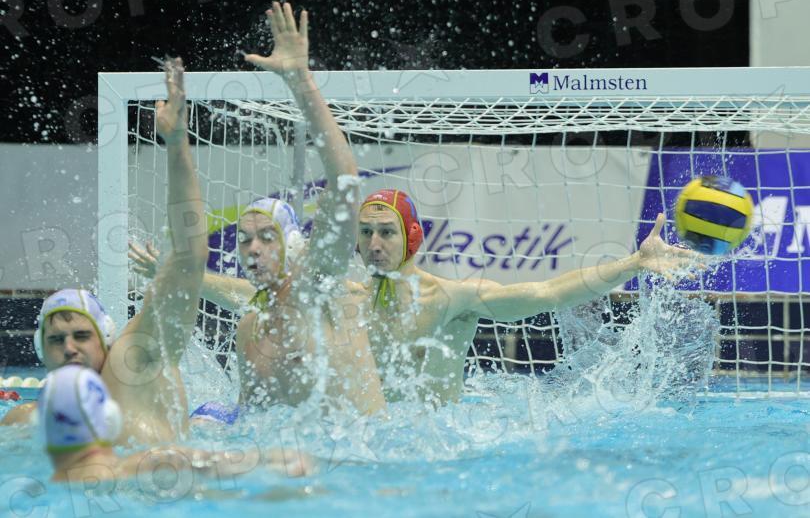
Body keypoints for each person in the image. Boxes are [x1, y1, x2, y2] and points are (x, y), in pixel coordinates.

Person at [133, 188, 701, 405]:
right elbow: (247, 293)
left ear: (411, 237)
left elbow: (545, 292)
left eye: (386, 232)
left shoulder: (451, 299)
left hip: (440, 441)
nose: (374, 243)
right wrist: (178, 276)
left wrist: (633, 263)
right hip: (381, 438)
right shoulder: (347, 297)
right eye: (366, 233)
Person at [2, 57, 209, 443]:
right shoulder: (25, 421)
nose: (69, 348)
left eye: (82, 336)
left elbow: (190, 259)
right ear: (40, 350)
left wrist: (177, 145)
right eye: (56, 340)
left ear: (106, 338)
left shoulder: (134, 365)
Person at [226, 2, 383, 414]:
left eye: (267, 237)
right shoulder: (249, 329)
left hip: (367, 451)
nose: (253, 248)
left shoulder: (319, 285)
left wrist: (300, 81)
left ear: (294, 245)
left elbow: (345, 180)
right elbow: (251, 421)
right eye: (244, 239)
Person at [38, 365, 313, 483]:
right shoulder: (141, 465)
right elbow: (214, 462)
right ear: (110, 420)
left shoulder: (38, 489)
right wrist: (267, 458)